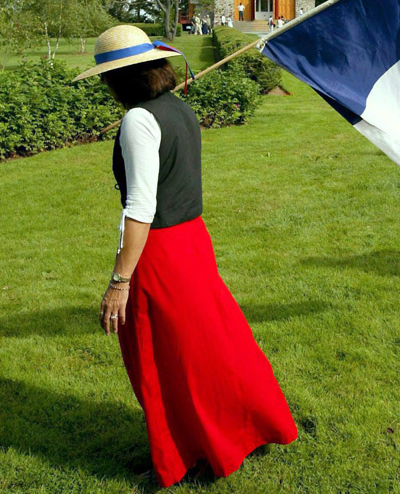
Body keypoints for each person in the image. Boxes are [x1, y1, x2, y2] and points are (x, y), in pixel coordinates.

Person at [72, 26, 297, 489]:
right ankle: (237, 427)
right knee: (209, 345)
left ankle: (181, 453)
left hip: (163, 252)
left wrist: (119, 281)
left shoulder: (138, 119)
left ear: (121, 78)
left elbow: (140, 206)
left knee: (167, 358)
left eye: (105, 76)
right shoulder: (179, 108)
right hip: (193, 239)